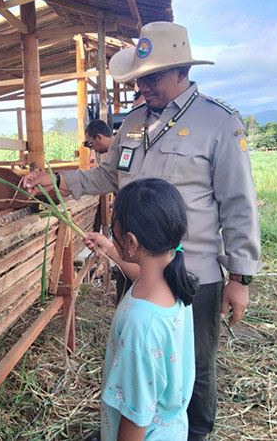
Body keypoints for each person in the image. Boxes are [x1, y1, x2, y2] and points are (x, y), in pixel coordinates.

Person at [24, 21, 262, 440]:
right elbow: (107, 177)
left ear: (181, 71)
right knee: (140, 356)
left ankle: (191, 432)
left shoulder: (219, 123)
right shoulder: (133, 123)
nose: (143, 86)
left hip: (195, 273)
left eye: (151, 77)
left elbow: (238, 203)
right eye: (139, 78)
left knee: (193, 362)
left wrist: (239, 278)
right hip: (135, 263)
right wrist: (59, 182)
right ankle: (134, 422)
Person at [82, 178, 198, 440]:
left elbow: (135, 416)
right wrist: (111, 248)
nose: (113, 235)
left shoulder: (140, 327)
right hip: (171, 428)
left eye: (114, 231)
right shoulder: (173, 279)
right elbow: (138, 273)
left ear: (131, 242)